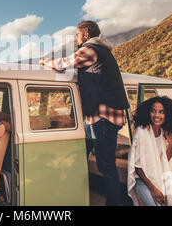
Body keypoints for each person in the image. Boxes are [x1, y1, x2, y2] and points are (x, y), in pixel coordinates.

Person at [40, 20, 130, 206]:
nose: (75, 38)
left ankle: (114, 204)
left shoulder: (91, 49)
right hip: (96, 117)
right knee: (82, 154)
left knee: (106, 164)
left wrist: (44, 61)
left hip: (104, 116)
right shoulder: (101, 51)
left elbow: (64, 63)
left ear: (86, 35)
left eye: (77, 35)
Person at [127, 96, 172, 206]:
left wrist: (171, 144)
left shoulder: (164, 132)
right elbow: (137, 167)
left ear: (167, 115)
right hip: (142, 180)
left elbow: (164, 161)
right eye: (153, 111)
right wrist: (153, 189)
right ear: (148, 112)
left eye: (161, 112)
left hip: (158, 176)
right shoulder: (142, 132)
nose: (157, 115)